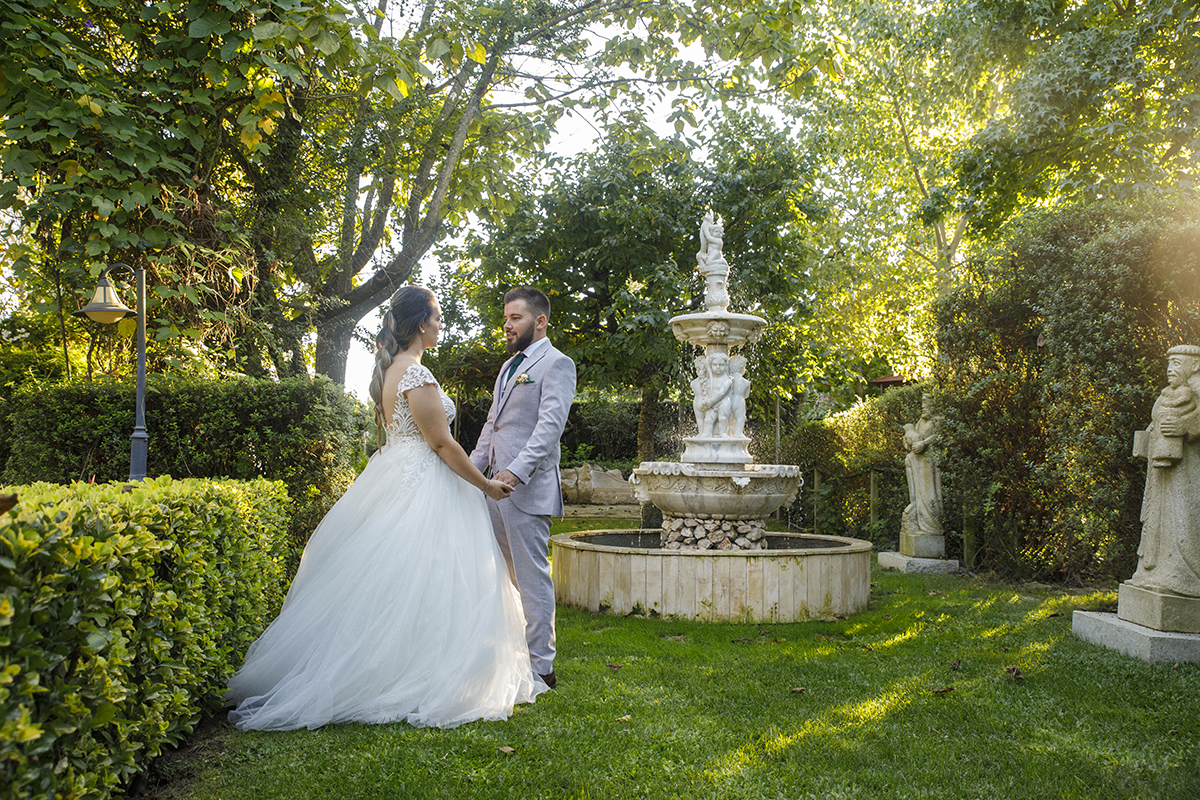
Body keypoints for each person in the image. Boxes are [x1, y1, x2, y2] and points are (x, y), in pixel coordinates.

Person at [226, 285, 548, 731]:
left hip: (395, 472)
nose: (441, 325)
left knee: (400, 574)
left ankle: (401, 656)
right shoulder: (415, 374)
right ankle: (418, 670)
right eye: (437, 317)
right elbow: (441, 443)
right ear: (421, 323)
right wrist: (485, 485)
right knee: (430, 573)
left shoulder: (392, 370)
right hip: (424, 480)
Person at [470, 287, 576, 690]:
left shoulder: (557, 364)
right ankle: (509, 657)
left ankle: (541, 669)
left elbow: (549, 428)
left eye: (516, 318)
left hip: (525, 490)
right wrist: (470, 474)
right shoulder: (507, 367)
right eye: (505, 319)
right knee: (502, 577)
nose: (507, 325)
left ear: (540, 321)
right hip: (492, 490)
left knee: (532, 580)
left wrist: (514, 473)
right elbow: (492, 426)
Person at [1128, 345, 1200, 596]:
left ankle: (1184, 576)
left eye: (1177, 363)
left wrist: (1185, 427)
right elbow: (1157, 419)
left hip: (1188, 472)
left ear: (1195, 365)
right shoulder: (1167, 394)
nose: (1170, 369)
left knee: (1183, 521)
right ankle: (1154, 573)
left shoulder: (1197, 390)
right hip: (1161, 471)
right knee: (1157, 518)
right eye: (1169, 364)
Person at [901, 392, 942, 537]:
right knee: (919, 494)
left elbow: (939, 436)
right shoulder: (921, 421)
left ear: (933, 404)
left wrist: (924, 443)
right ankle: (921, 524)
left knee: (929, 493)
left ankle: (931, 527)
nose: (923, 406)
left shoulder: (936, 420)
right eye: (922, 402)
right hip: (918, 462)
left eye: (925, 402)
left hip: (929, 463)